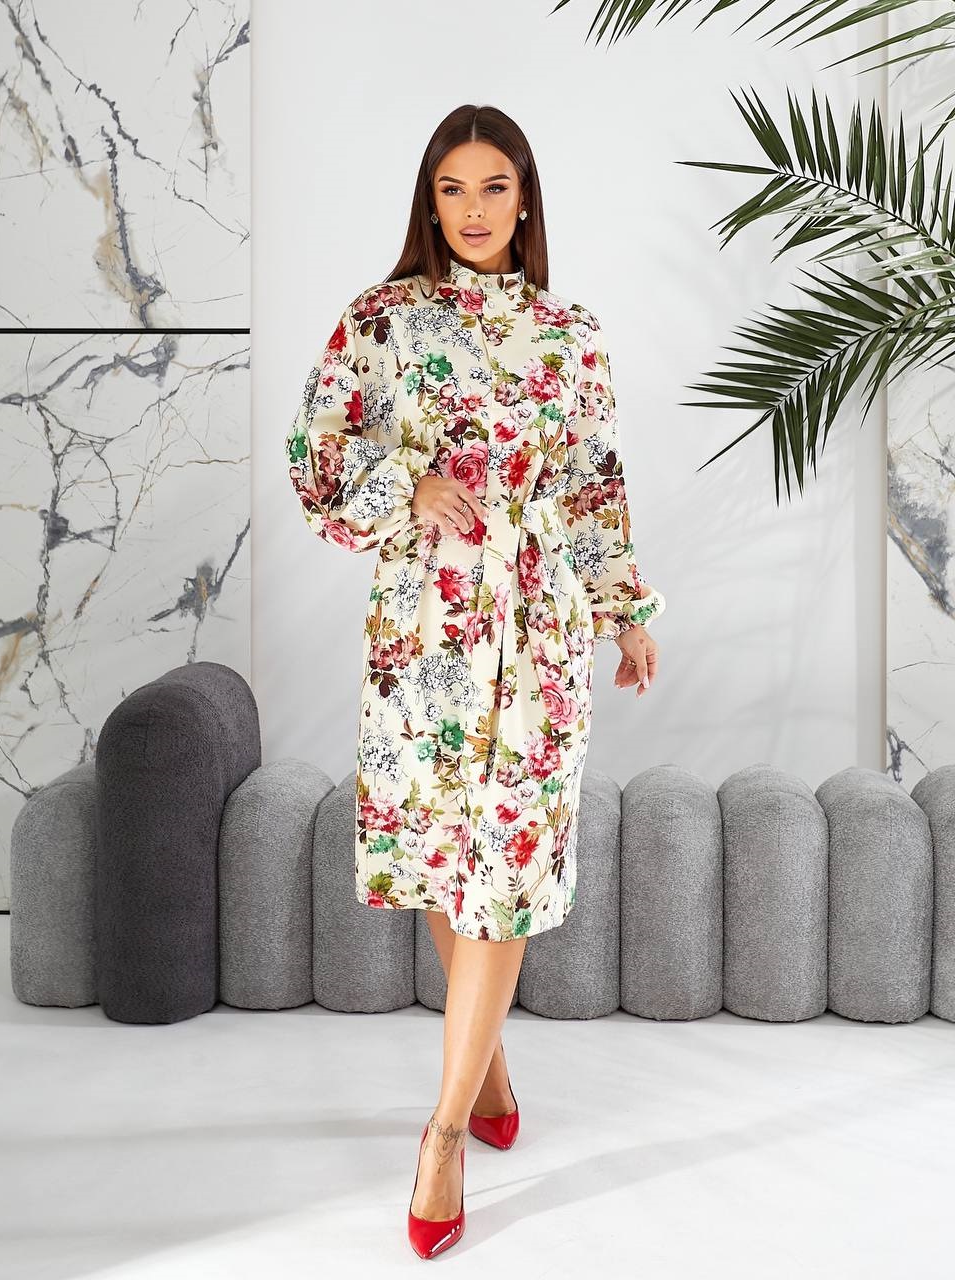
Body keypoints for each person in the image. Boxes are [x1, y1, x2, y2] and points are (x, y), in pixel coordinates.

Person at [285, 103, 665, 1259]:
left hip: (539, 627)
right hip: (426, 632)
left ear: (525, 196)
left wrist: (624, 611)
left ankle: (444, 1130)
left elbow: (594, 483)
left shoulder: (571, 333)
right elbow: (314, 452)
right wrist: (408, 485)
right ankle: (489, 1074)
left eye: (494, 186)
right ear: (430, 201)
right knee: (445, 855)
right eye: (452, 188)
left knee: (503, 864)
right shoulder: (383, 319)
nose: (474, 209)